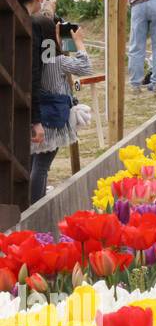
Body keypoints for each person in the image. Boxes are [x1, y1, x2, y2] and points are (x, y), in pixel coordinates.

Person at [27, 14, 92, 204]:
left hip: (34, 115)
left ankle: (27, 201)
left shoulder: (29, 60)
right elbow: (85, 68)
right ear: (50, 35)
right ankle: (35, 204)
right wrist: (78, 43)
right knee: (42, 165)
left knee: (32, 163)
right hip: (53, 120)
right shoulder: (58, 61)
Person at [6, 0, 49, 148]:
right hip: (17, 104)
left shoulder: (8, 18)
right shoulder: (31, 27)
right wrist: (36, 120)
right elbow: (32, 74)